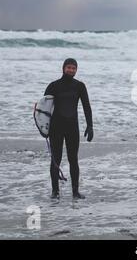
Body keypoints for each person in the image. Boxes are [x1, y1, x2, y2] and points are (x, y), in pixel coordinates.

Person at [44, 58, 93, 199]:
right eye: (69, 67)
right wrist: (43, 128)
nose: (71, 70)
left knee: (73, 160)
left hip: (72, 127)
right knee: (56, 159)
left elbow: (86, 106)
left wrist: (90, 126)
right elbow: (44, 108)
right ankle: (55, 192)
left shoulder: (79, 86)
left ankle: (75, 192)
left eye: (74, 68)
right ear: (63, 68)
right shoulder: (53, 86)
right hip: (55, 128)